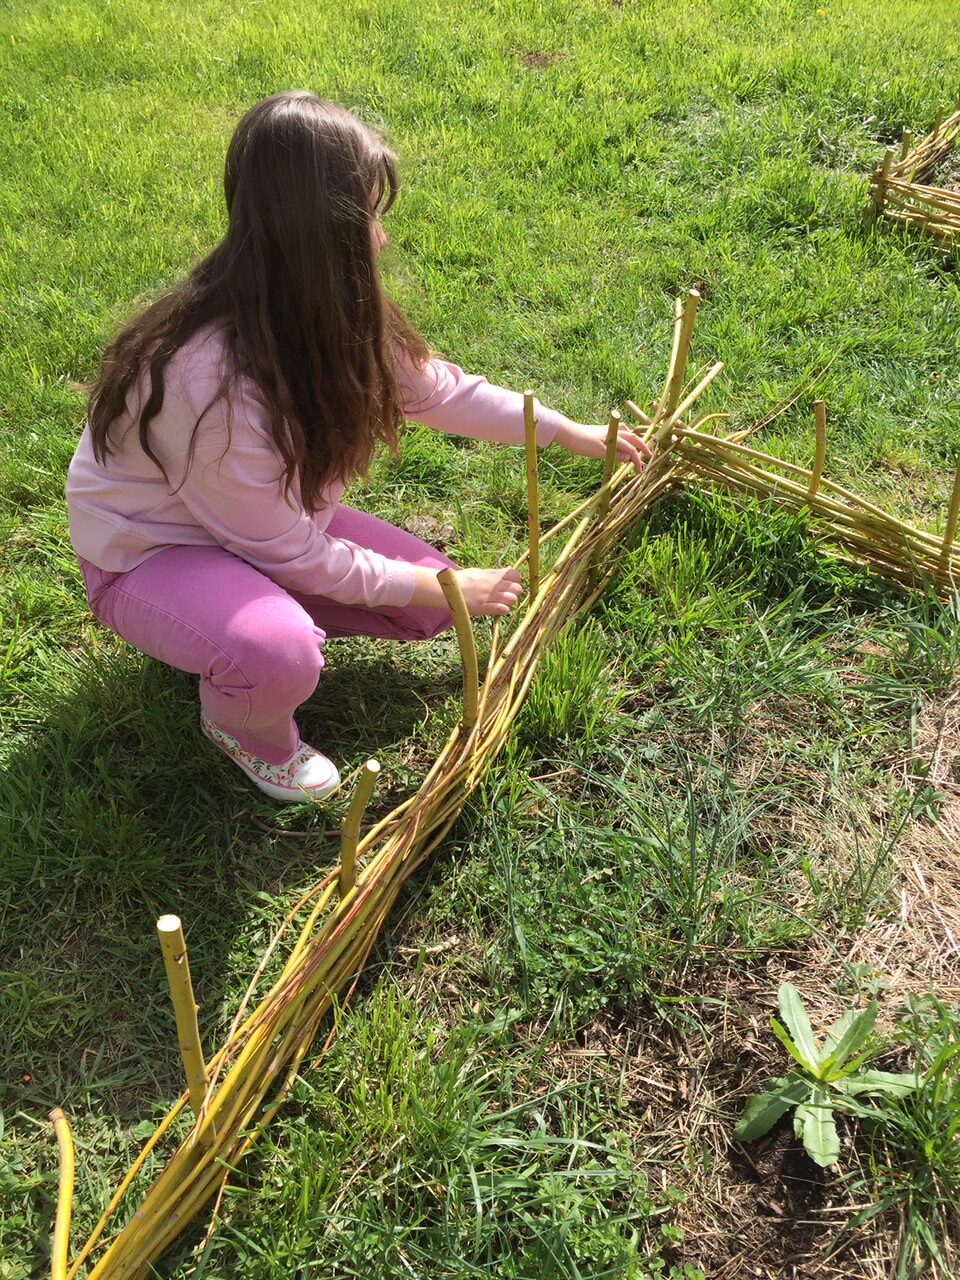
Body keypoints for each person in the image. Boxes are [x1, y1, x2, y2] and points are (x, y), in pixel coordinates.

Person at [65, 91, 650, 804]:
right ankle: (246, 725)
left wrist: (569, 432)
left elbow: (440, 392)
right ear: (324, 233)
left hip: (260, 528)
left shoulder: (320, 309)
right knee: (280, 653)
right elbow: (296, 555)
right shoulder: (206, 383)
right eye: (371, 217)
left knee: (429, 608)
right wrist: (448, 583)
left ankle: (229, 622)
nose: (381, 239)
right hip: (152, 555)